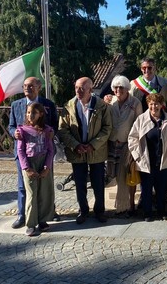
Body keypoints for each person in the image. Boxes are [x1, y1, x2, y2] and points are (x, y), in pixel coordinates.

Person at [58, 77, 112, 224]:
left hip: (97, 151)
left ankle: (100, 211)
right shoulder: (68, 106)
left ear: (91, 90)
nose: (78, 91)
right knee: (80, 183)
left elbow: (107, 128)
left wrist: (93, 144)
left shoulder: (101, 106)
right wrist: (76, 145)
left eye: (82, 88)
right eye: (76, 88)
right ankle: (83, 210)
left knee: (98, 183)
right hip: (77, 152)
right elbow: (63, 129)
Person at [8, 76, 58, 229]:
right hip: (23, 153)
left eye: (30, 86)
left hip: (44, 152)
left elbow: (55, 124)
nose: (26, 88)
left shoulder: (48, 105)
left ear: (39, 87)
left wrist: (52, 133)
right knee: (24, 186)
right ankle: (22, 215)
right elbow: (11, 126)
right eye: (24, 86)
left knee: (44, 186)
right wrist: (14, 133)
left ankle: (46, 215)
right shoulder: (16, 105)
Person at [128, 93, 167, 221]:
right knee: (146, 189)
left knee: (161, 188)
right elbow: (132, 138)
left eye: (156, 103)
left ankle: (161, 211)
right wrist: (137, 155)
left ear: (161, 105)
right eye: (151, 104)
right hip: (146, 160)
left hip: (163, 159)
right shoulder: (141, 119)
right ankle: (147, 212)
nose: (153, 106)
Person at [16, 103, 55, 236]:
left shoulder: (47, 130)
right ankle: (31, 223)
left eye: (33, 113)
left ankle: (43, 220)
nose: (30, 115)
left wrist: (47, 167)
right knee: (32, 194)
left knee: (44, 192)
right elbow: (20, 151)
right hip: (30, 164)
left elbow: (50, 150)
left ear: (41, 114)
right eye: (28, 113)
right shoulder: (22, 130)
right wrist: (26, 168)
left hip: (43, 162)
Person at [107, 75, 142, 217]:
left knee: (125, 176)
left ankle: (126, 207)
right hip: (112, 144)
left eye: (121, 87)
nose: (118, 90)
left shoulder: (135, 103)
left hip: (128, 144)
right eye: (116, 87)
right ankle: (123, 205)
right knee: (113, 175)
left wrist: (135, 146)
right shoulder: (111, 103)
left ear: (127, 88)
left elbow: (139, 125)